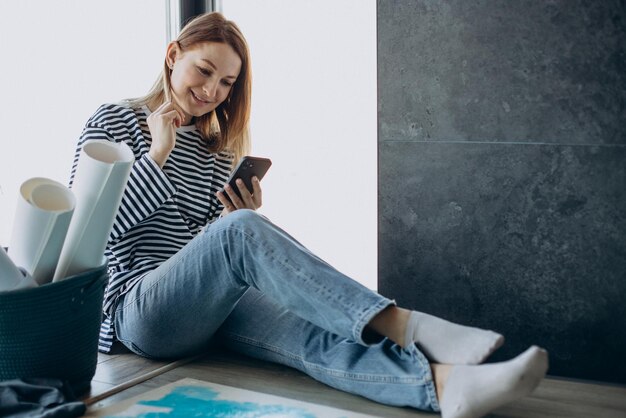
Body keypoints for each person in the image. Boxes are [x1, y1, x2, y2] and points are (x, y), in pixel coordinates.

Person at [70, 12, 548, 418]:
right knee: (240, 232)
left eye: (227, 83)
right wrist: (157, 155)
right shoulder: (114, 121)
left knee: (309, 328)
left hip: (204, 307)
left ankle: (443, 387)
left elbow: (198, 242)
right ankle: (412, 326)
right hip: (137, 313)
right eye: (204, 70)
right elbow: (87, 236)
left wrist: (233, 219)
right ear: (173, 54)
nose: (212, 90)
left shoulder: (216, 148)